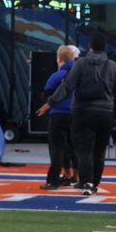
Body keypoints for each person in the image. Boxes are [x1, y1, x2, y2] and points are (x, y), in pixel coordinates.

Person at [37, 31, 116, 196]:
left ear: (90, 47)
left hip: (83, 111)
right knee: (99, 150)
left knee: (84, 149)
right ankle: (95, 182)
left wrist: (50, 103)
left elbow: (67, 86)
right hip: (105, 111)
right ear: (105, 48)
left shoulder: (81, 64)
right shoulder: (113, 67)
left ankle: (87, 181)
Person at [40, 45, 78, 190]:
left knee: (57, 148)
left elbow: (46, 93)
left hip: (58, 114)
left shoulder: (57, 75)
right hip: (76, 114)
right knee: (75, 148)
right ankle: (78, 177)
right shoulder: (80, 74)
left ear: (59, 59)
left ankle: (53, 180)